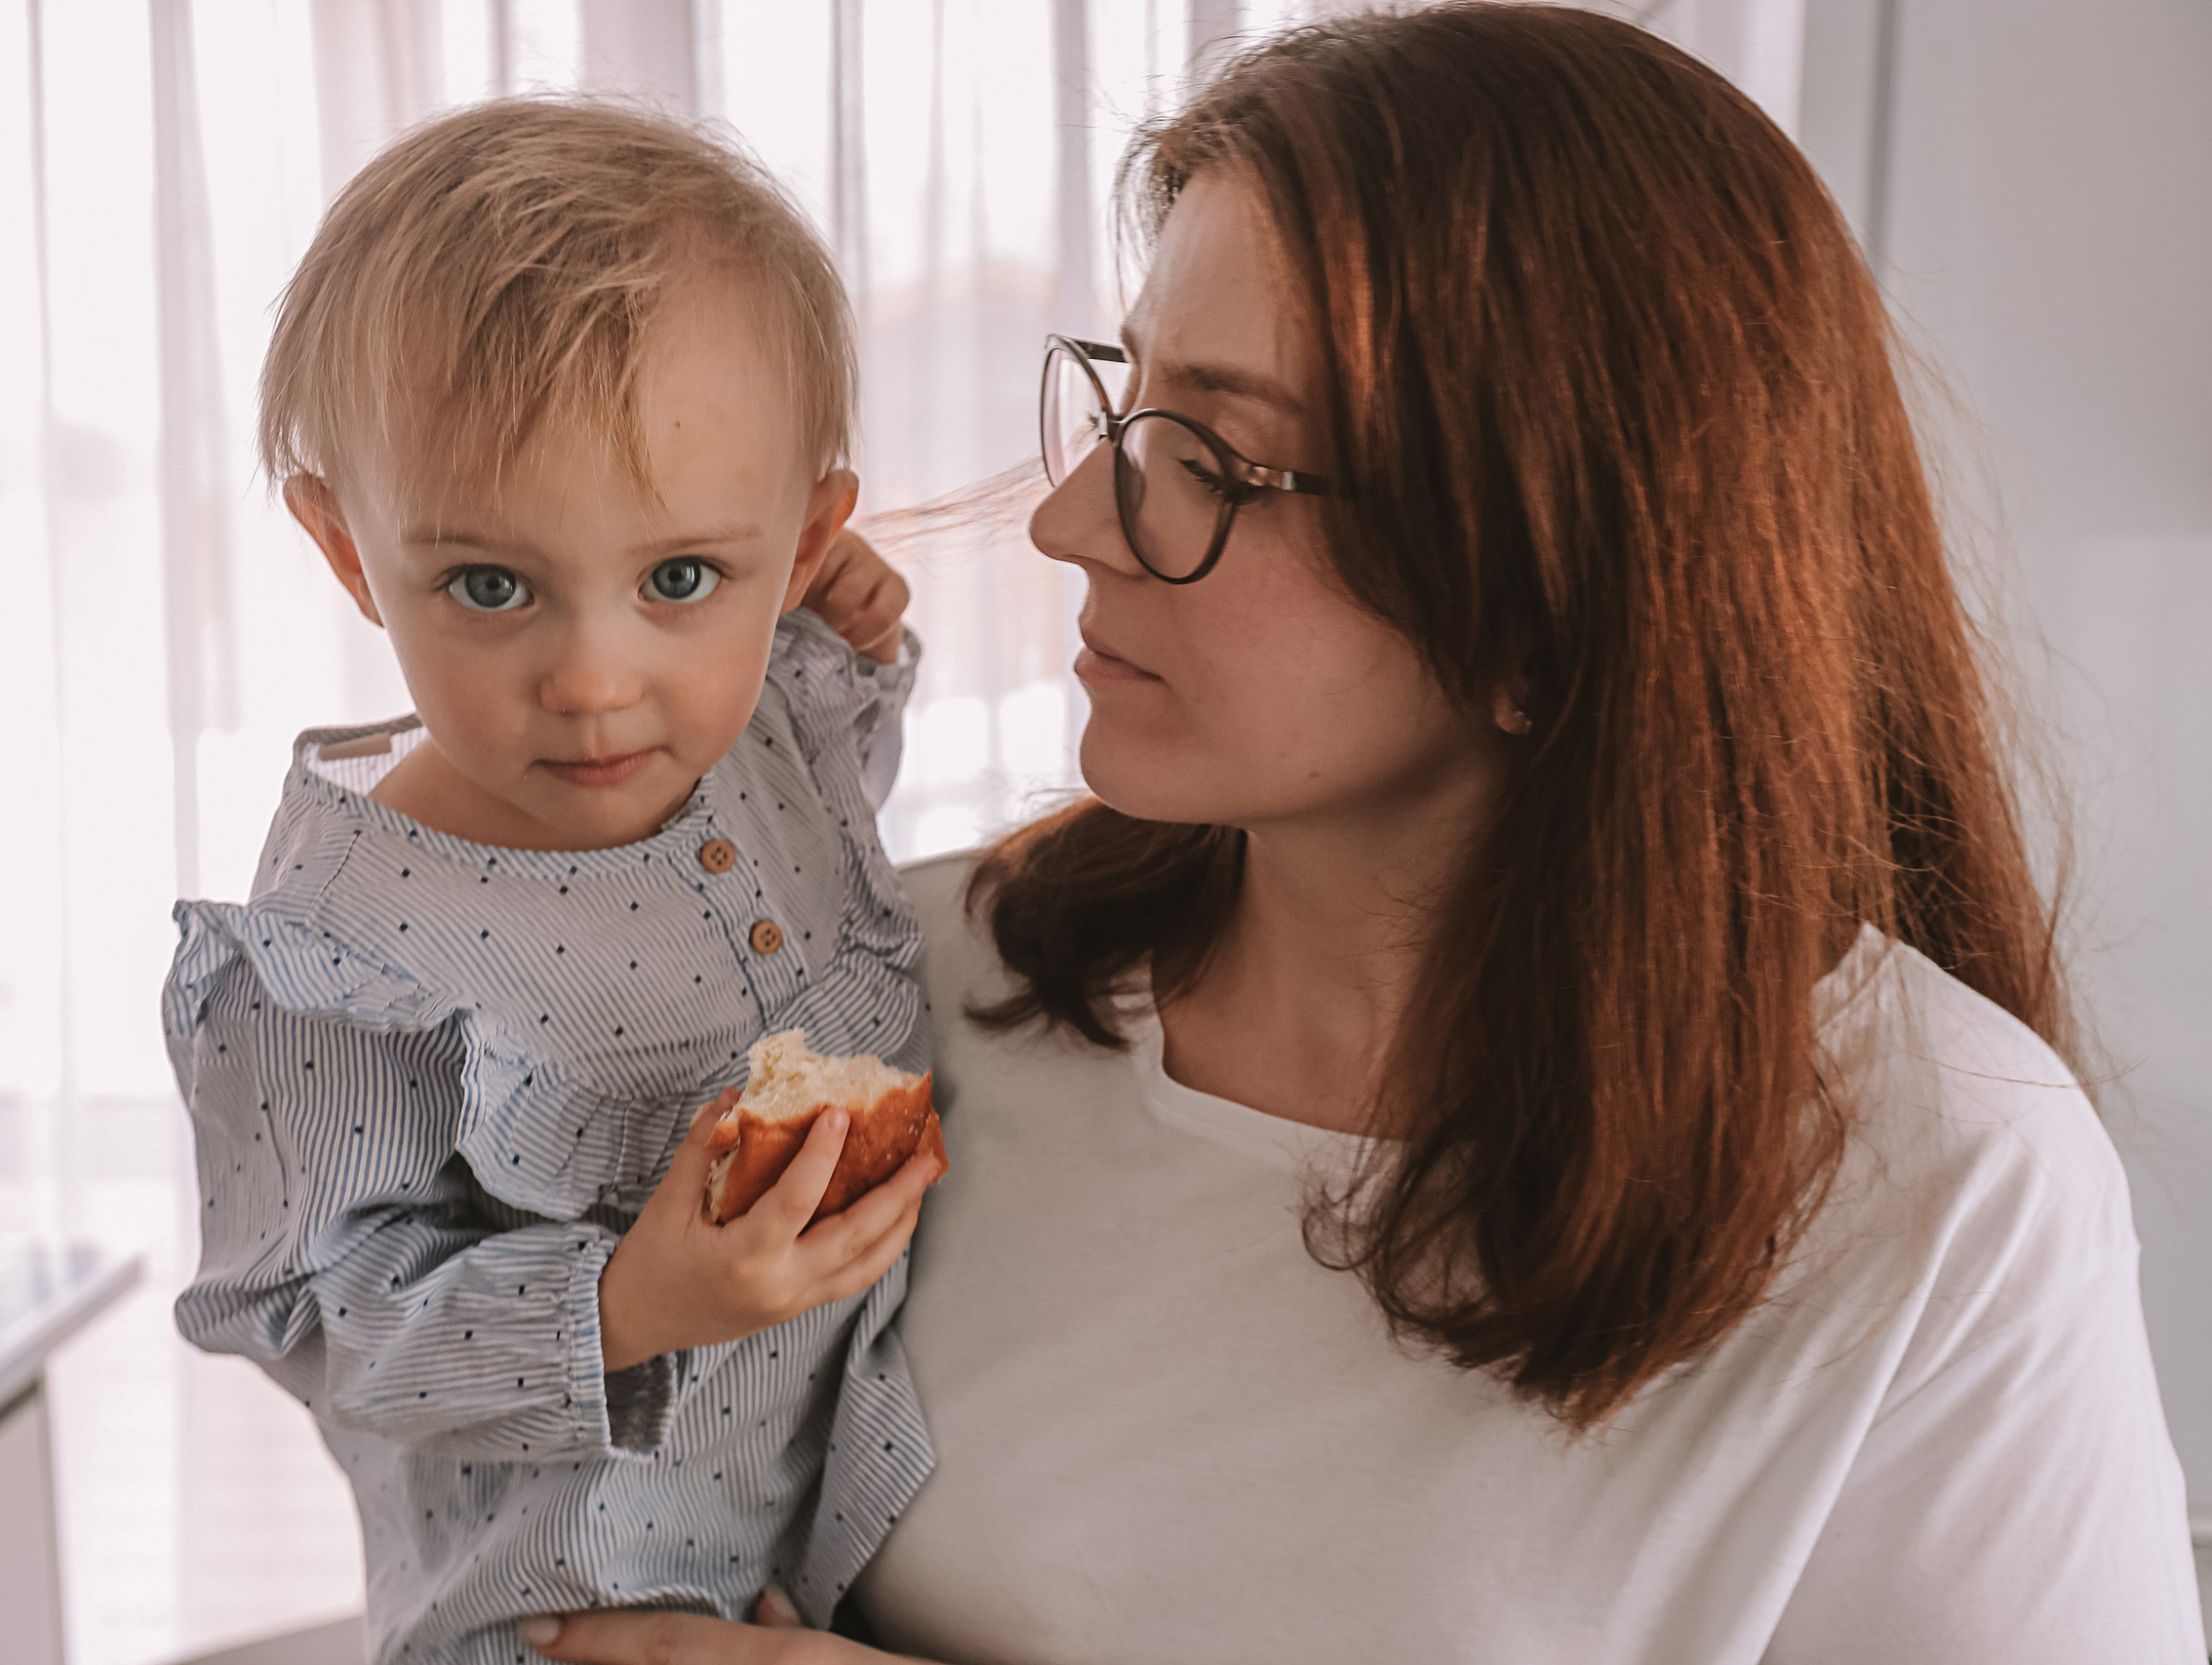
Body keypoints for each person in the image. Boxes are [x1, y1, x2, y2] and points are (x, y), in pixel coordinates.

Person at [519, 8, 2206, 1663]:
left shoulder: (1941, 1182)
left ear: (1549, 604)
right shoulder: (905, 982)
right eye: (1128, 406)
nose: (1068, 520)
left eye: (1221, 458)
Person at [161, 99, 948, 1664]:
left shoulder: (768, 714)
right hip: (557, 1619)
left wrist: (834, 636)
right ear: (345, 552)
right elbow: (320, 1322)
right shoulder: (340, 955)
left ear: (798, 545)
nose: (594, 683)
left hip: (828, 1548)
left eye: (678, 578)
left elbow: (835, 809)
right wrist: (619, 1308)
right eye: (489, 586)